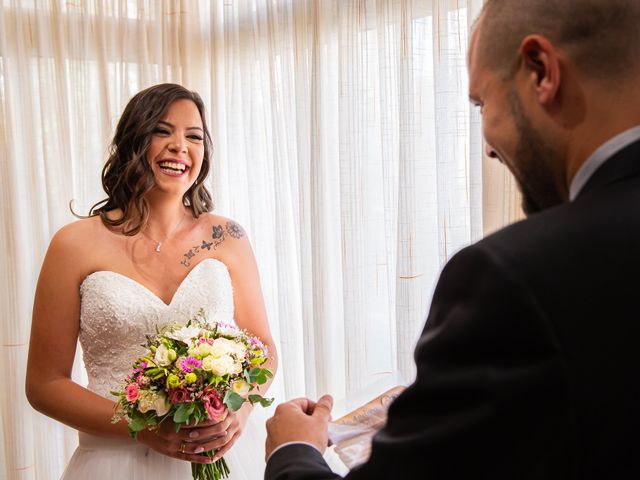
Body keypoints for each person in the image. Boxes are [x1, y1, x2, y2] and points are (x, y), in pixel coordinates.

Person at [264, 0, 640, 478]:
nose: (487, 145)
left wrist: (293, 451)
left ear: (541, 71)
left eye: (483, 102)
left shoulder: (511, 275)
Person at [25, 83, 278, 479]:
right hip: (113, 463)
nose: (180, 146)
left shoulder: (228, 237)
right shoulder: (72, 245)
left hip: (225, 457)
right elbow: (44, 384)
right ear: (133, 141)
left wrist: (239, 412)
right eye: (163, 131)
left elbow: (262, 348)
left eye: (194, 136)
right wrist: (140, 429)